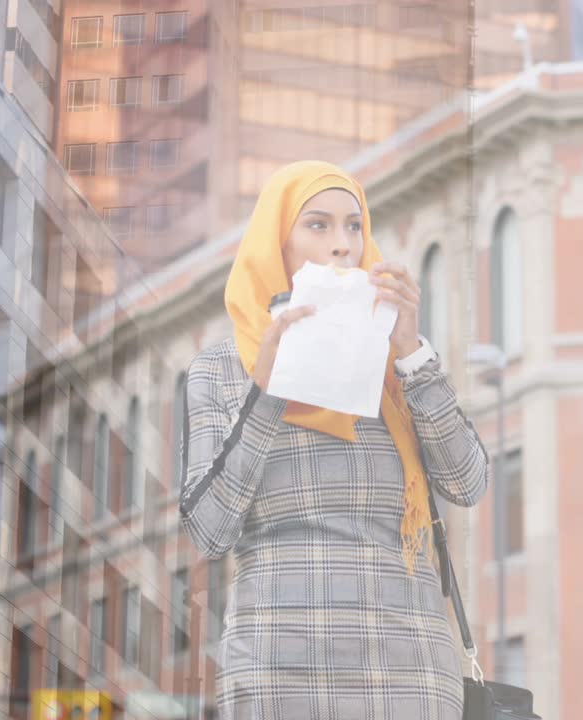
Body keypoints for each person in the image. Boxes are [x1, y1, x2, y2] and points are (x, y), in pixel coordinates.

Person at [178, 160, 490, 719]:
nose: (342, 245)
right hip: (278, 674)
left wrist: (412, 352)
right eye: (318, 225)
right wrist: (269, 390)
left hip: (410, 674)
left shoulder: (396, 362)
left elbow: (467, 483)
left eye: (354, 226)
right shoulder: (222, 369)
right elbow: (209, 532)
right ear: (279, 244)